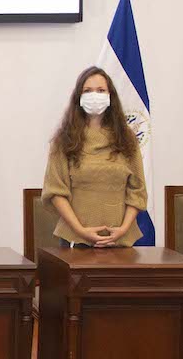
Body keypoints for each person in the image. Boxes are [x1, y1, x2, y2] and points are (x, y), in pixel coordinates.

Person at [41, 66, 147, 248]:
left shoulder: (126, 138)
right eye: (88, 91)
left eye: (100, 91)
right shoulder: (64, 139)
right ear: (79, 97)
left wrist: (122, 229)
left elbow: (137, 190)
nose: (94, 95)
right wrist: (81, 231)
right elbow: (56, 191)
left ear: (110, 96)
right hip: (75, 239)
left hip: (119, 240)